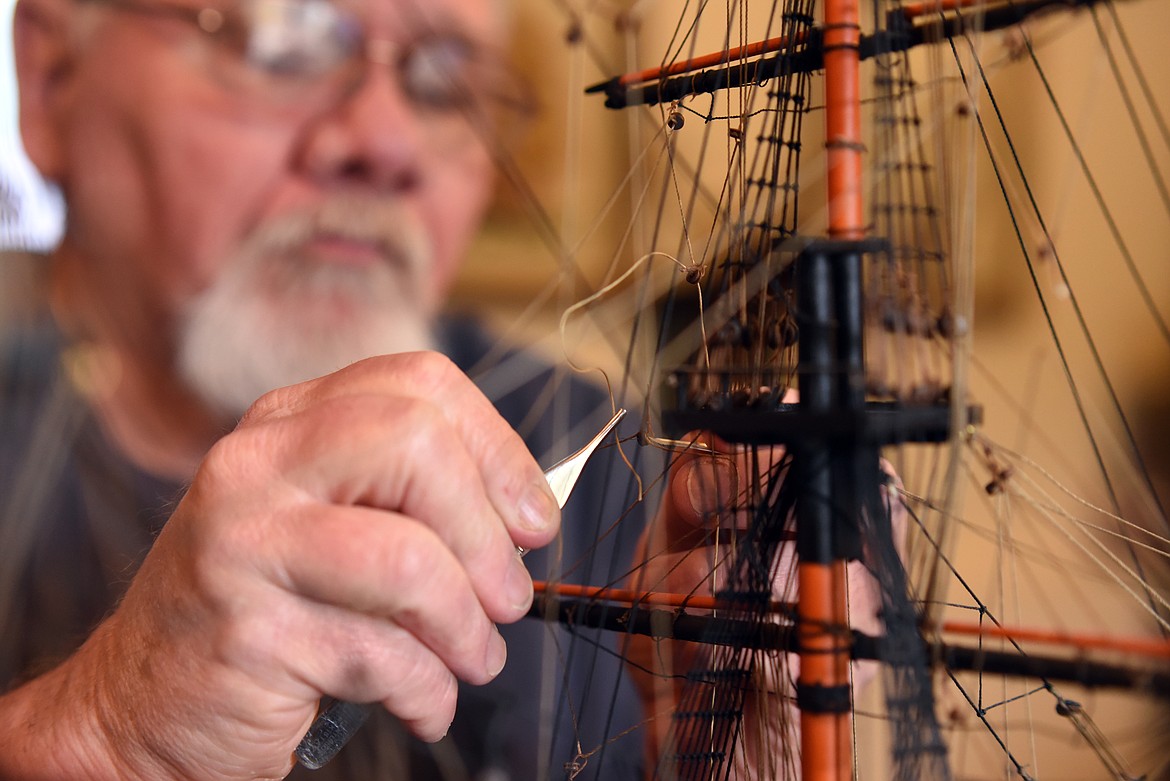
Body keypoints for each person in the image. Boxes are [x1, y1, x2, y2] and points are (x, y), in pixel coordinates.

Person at [0, 0, 894, 776]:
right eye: (283, 42)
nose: (387, 144)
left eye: (443, 80)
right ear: (48, 77)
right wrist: (103, 737)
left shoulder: (619, 480)